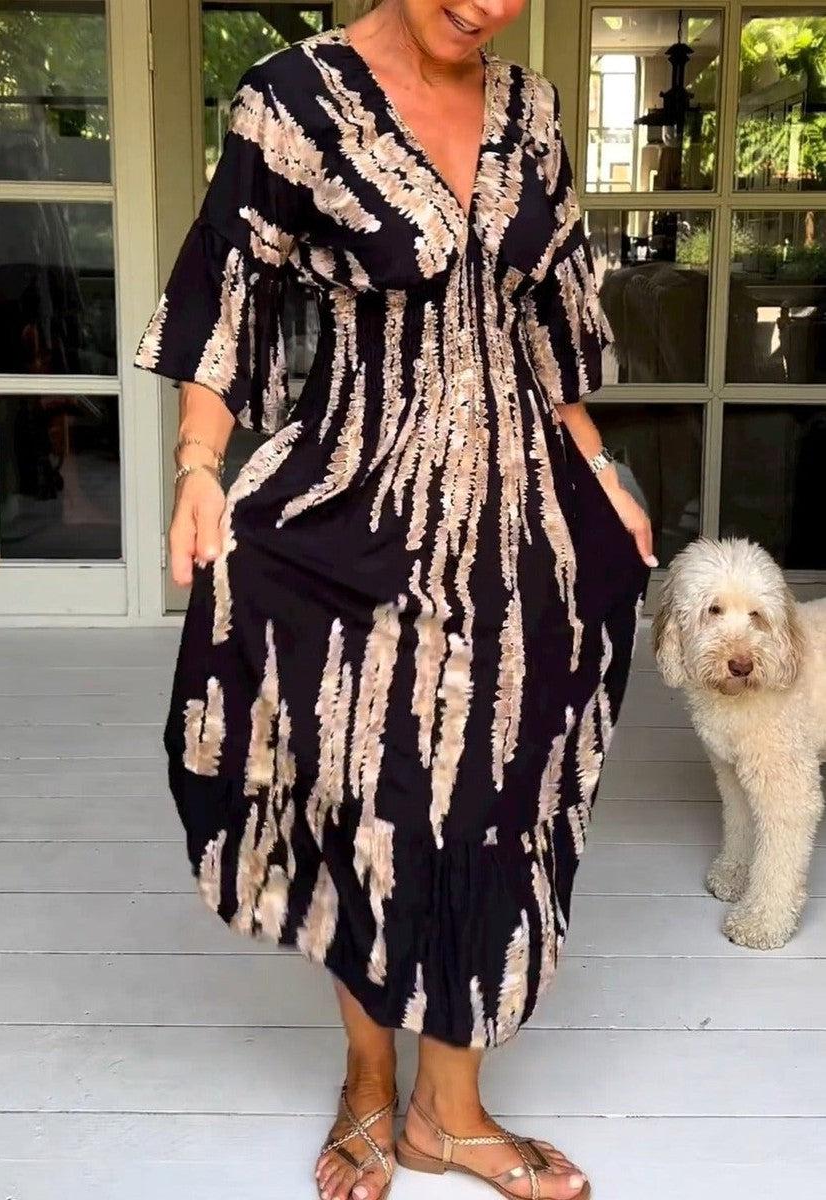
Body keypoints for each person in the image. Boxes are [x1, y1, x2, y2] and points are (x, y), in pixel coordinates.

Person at [134, 2, 656, 1197]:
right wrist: (200, 467)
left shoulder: (532, 111)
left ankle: (447, 1111)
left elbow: (550, 315)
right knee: (366, 783)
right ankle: (369, 1079)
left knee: (497, 786)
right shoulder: (292, 99)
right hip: (358, 502)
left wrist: (597, 467)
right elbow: (226, 284)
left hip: (523, 514)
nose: (485, 6)